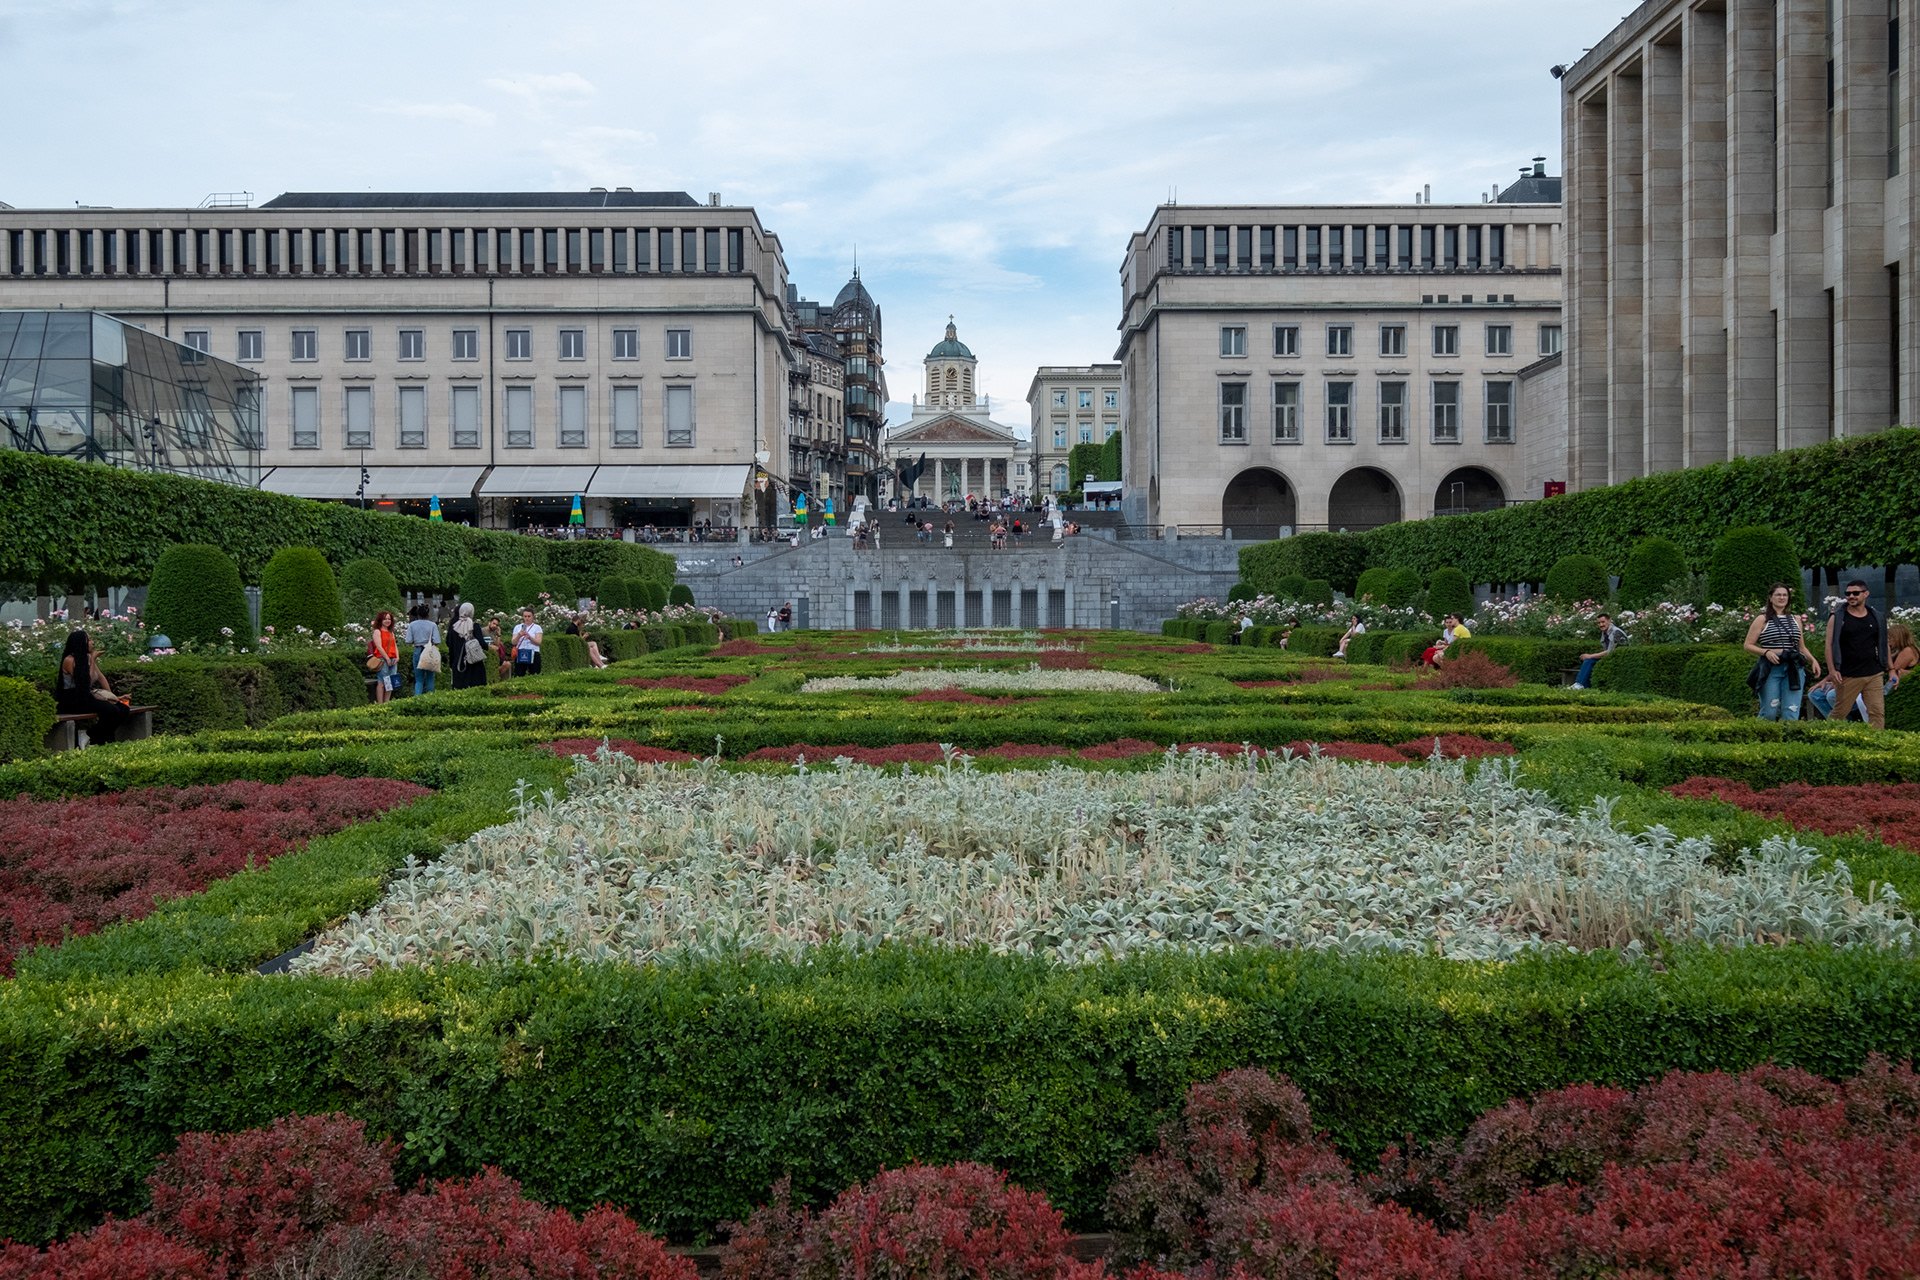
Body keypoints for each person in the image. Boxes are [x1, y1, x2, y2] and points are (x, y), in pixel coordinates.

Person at [1742, 585, 1821, 720]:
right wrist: (1765, 652)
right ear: (1770, 597)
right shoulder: (1762, 619)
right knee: (1770, 711)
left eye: (1784, 595)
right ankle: (1763, 738)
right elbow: (1748, 645)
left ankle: (1789, 739)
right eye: (1778, 595)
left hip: (1793, 667)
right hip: (1771, 666)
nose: (1781, 598)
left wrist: (1813, 660)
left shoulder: (1796, 619)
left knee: (1791, 709)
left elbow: (1801, 647)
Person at [1823, 579, 1891, 729]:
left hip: (1873, 673)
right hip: (1848, 674)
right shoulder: (1837, 617)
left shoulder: (1877, 616)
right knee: (1840, 712)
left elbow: (1883, 643)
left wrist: (1891, 669)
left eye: (1855, 593)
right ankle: (1825, 739)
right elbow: (1828, 644)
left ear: (1866, 594)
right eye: (1848, 593)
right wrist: (1832, 670)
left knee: (1877, 712)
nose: (1851, 596)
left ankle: (1877, 745)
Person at [56, 629, 132, 746]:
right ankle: (97, 738)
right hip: (72, 699)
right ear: (81, 643)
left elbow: (101, 678)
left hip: (86, 696)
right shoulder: (69, 660)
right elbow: (86, 681)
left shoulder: (86, 658)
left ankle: (96, 736)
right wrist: (92, 660)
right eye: (89, 640)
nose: (92, 643)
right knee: (111, 711)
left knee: (123, 709)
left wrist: (112, 697)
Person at [1572, 613, 1629, 690]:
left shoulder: (1616, 632)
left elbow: (1610, 651)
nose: (1601, 624)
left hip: (1620, 659)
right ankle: (1584, 685)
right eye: (1599, 623)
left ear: (1609, 621)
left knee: (1589, 661)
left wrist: (1591, 655)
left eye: (1603, 622)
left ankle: (1580, 684)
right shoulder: (1605, 633)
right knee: (1589, 662)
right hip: (1611, 658)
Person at [448, 602, 489, 690]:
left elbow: (450, 646)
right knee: (476, 688)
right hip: (474, 661)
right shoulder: (474, 626)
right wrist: (488, 647)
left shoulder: (454, 627)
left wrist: (451, 664)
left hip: (458, 661)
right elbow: (482, 643)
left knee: (459, 690)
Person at [405, 603, 442, 697]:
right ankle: (430, 699)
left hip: (418, 650)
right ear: (428, 614)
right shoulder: (432, 625)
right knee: (430, 678)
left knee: (419, 679)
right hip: (429, 651)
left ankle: (417, 699)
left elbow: (408, 640)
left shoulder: (412, 625)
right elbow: (437, 640)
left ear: (417, 614)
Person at [367, 610, 401, 703]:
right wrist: (386, 658)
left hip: (393, 659)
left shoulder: (391, 632)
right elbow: (379, 646)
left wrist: (397, 657)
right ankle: (380, 704)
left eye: (389, 619)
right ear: (380, 620)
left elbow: (395, 645)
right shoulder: (377, 632)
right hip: (382, 659)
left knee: (390, 683)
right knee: (382, 682)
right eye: (385, 619)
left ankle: (387, 702)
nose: (387, 621)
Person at [509, 607, 543, 679]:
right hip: (521, 652)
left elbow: (539, 642)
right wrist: (519, 635)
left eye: (529, 616)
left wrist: (530, 637)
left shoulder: (537, 627)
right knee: (519, 674)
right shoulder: (518, 627)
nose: (527, 618)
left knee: (535, 674)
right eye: (525, 616)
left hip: (533, 652)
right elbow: (513, 642)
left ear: (533, 616)